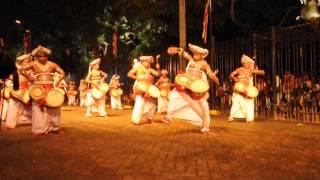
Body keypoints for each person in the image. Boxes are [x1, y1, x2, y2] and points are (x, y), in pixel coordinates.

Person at [165, 43, 220, 133]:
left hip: (197, 89)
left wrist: (216, 79)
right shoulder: (191, 60)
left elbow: (210, 73)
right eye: (194, 54)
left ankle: (206, 126)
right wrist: (175, 49)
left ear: (201, 56)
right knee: (175, 95)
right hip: (187, 86)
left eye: (197, 54)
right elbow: (184, 53)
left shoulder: (204, 64)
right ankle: (169, 116)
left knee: (203, 107)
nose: (194, 56)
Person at [22, 45, 65, 135]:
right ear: (37, 57)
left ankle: (54, 127)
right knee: (38, 108)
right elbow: (22, 70)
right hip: (38, 89)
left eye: (44, 56)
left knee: (54, 107)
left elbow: (62, 73)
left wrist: (57, 82)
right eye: (40, 56)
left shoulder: (53, 64)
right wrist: (30, 77)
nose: (42, 58)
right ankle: (39, 129)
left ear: (47, 56)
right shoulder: (33, 64)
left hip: (50, 88)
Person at [228, 54, 265, 123]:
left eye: (247, 63)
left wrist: (261, 72)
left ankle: (235, 117)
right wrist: (234, 78)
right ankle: (234, 117)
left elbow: (258, 71)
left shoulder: (251, 70)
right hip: (238, 87)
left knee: (242, 104)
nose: (245, 64)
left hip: (245, 89)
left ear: (249, 64)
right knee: (237, 103)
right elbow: (231, 75)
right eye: (244, 63)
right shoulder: (239, 69)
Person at [127, 55, 160, 124]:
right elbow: (129, 74)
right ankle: (135, 120)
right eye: (146, 62)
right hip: (140, 86)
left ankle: (149, 118)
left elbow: (157, 74)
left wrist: (158, 68)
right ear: (142, 62)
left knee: (152, 104)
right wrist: (138, 78)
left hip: (148, 86)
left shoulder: (150, 69)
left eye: (149, 62)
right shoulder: (138, 68)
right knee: (140, 101)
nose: (148, 64)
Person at [5, 54, 33, 128]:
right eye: (25, 62)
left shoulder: (30, 71)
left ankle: (29, 120)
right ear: (21, 62)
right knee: (13, 105)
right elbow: (10, 78)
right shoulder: (16, 70)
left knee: (29, 106)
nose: (26, 63)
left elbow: (32, 79)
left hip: (27, 91)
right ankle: (10, 123)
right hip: (16, 90)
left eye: (28, 62)